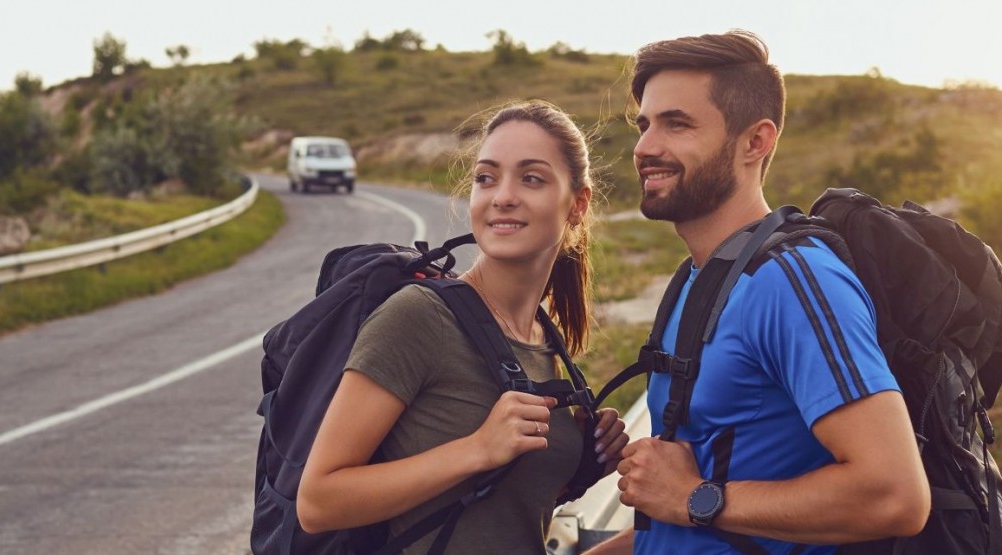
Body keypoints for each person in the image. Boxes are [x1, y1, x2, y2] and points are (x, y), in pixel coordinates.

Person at [584, 30, 930, 554]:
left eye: (676, 124)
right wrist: (683, 500)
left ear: (755, 142)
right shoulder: (698, 280)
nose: (645, 147)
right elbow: (682, 516)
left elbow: (895, 497)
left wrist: (693, 497)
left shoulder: (792, 281)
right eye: (645, 124)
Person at [295, 100, 630, 554]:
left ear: (577, 204)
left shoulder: (545, 342)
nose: (502, 195)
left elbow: (491, 520)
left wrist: (580, 470)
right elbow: (318, 502)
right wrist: (478, 449)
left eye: (531, 178)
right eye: (486, 178)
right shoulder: (419, 318)